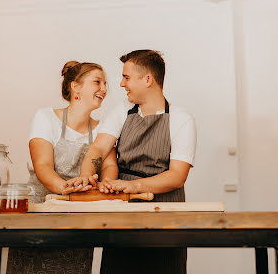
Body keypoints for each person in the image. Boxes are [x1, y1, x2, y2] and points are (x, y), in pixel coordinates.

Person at [71, 50, 197, 274]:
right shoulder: (122, 111)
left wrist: (133, 186)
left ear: (147, 79)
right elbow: (99, 148)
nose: (121, 84)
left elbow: (177, 176)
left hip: (165, 215)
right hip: (122, 212)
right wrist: (86, 174)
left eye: (126, 77)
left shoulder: (181, 119)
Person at [6, 61, 118, 274]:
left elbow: (110, 165)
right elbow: (43, 166)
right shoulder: (46, 117)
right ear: (76, 87)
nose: (104, 89)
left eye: (105, 84)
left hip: (78, 218)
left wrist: (105, 185)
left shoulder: (104, 128)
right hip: (39, 214)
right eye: (97, 82)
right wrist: (68, 189)